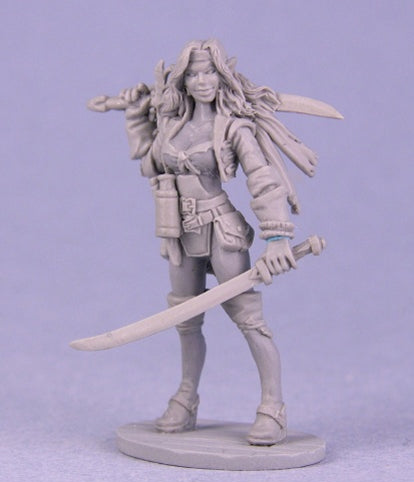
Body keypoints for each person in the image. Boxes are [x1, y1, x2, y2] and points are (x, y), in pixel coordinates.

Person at [88, 39, 320, 445]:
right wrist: (137, 113)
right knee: (186, 319)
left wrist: (277, 237)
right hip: (178, 232)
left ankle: (273, 406)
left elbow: (262, 178)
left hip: (220, 228)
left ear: (221, 76)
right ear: (184, 80)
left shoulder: (232, 127)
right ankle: (186, 397)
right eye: (194, 73)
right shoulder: (173, 124)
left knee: (248, 318)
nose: (202, 80)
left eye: (209, 72)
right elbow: (149, 161)